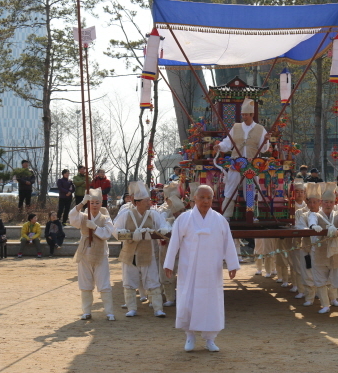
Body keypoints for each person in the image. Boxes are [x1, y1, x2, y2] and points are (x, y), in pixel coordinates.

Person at [164, 185, 240, 352]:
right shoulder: (184, 219)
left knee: (211, 303)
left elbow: (228, 243)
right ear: (194, 199)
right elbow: (174, 242)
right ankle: (189, 335)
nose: (205, 201)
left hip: (212, 269)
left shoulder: (219, 220)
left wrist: (232, 264)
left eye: (209, 198)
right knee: (188, 301)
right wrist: (169, 263)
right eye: (202, 197)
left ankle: (210, 339)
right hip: (189, 268)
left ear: (213, 200)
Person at [113, 181, 171, 318]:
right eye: (146, 200)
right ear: (137, 202)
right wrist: (131, 235)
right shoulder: (126, 214)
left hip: (147, 252)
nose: (149, 203)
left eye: (149, 200)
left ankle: (158, 308)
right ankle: (132, 308)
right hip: (130, 253)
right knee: (130, 280)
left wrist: (162, 230)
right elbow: (115, 231)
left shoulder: (153, 214)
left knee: (152, 279)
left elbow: (164, 226)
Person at [213, 98, 270, 219]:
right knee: (230, 187)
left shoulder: (260, 129)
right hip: (237, 162)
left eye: (246, 115)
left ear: (252, 115)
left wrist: (266, 141)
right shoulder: (236, 127)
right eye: (242, 114)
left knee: (250, 188)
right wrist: (220, 146)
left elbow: (264, 148)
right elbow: (228, 142)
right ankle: (226, 216)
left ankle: (252, 215)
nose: (244, 117)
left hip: (251, 164)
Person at [69, 188, 116, 321]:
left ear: (101, 204)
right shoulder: (83, 217)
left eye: (97, 202)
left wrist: (95, 227)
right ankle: (86, 311)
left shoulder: (105, 218)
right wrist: (81, 203)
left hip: (101, 254)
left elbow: (107, 234)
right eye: (92, 203)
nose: (94, 205)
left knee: (104, 283)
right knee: (85, 283)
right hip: (85, 253)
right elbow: (72, 219)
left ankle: (109, 312)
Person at [309, 182, 338, 314]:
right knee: (321, 280)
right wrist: (314, 227)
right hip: (319, 252)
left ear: (335, 203)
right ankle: (325, 305)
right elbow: (312, 221)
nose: (328, 204)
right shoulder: (315, 215)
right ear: (321, 203)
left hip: (336, 253)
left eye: (331, 202)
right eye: (325, 202)